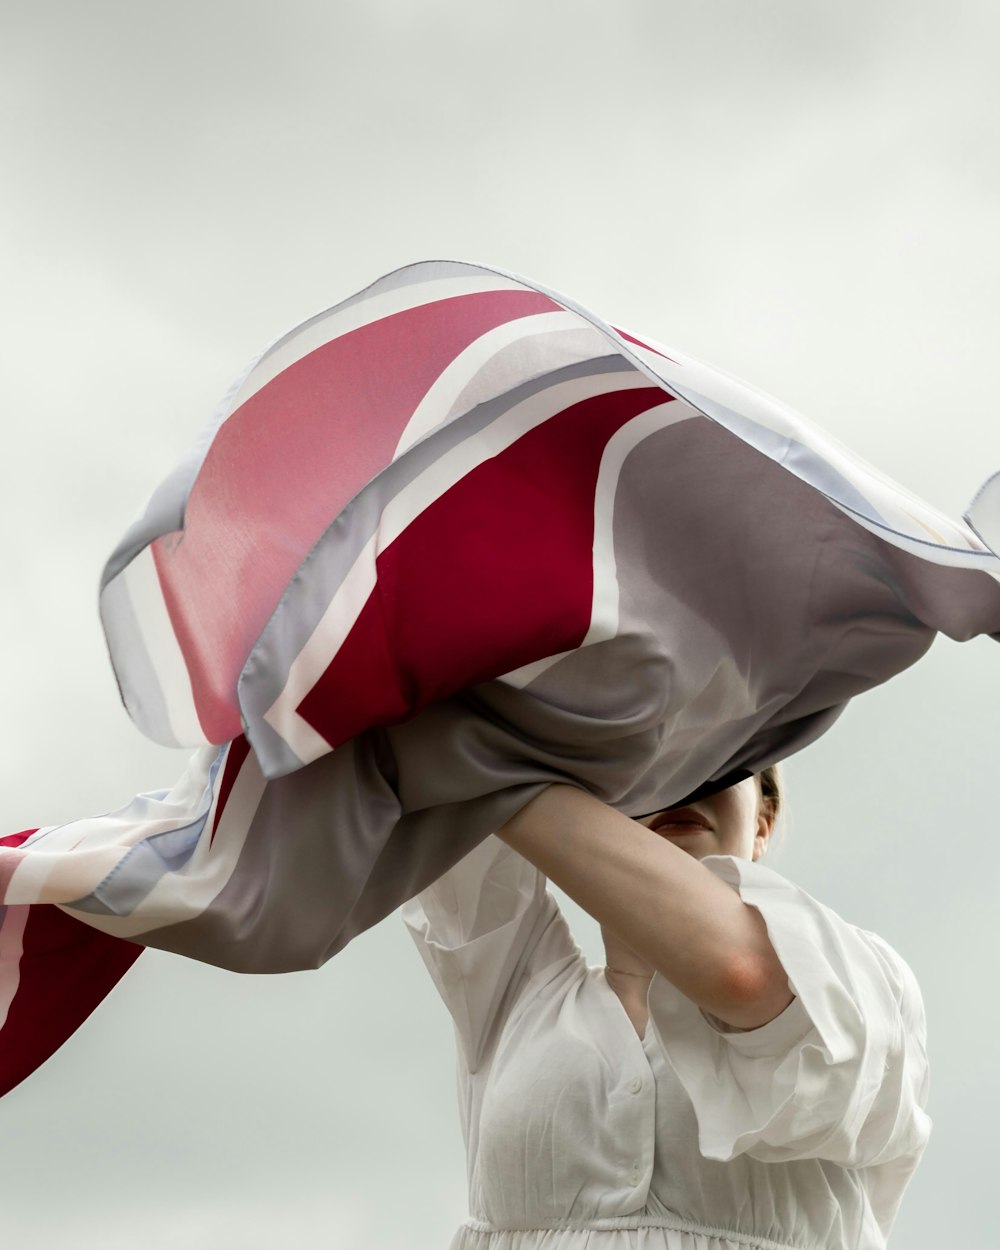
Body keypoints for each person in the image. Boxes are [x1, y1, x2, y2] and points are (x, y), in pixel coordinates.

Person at [402, 767, 930, 1250]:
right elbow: (449, 791)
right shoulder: (514, 993)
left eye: (726, 759)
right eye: (648, 762)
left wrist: (490, 770)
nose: (683, 780)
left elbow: (744, 975)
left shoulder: (861, 976)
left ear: (764, 821)